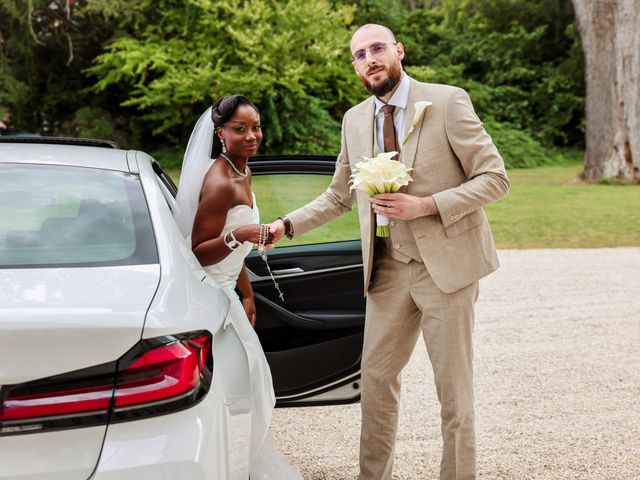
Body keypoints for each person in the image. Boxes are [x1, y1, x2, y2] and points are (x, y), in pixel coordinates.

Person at [270, 24, 510, 480]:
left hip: (446, 269)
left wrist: (426, 205)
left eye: (377, 49)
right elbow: (339, 196)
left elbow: (494, 179)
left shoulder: (446, 101)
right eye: (359, 55)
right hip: (387, 271)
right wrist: (283, 227)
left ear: (399, 50)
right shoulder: (354, 119)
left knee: (453, 394)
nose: (370, 60)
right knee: (377, 382)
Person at [174, 95, 301, 480]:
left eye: (256, 127)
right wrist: (243, 233)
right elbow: (198, 253)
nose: (251, 136)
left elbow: (234, 252)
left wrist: (247, 291)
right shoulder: (220, 182)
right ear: (220, 132)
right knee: (248, 386)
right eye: (240, 129)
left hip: (231, 287)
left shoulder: (244, 171)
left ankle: (240, 463)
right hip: (212, 292)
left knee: (254, 383)